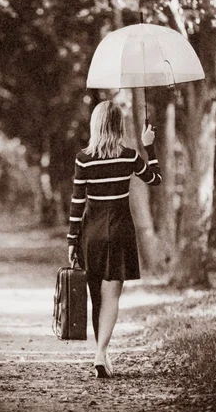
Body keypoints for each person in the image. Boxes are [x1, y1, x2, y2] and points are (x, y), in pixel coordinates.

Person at [67, 100, 162, 378]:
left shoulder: (83, 158)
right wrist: (149, 145)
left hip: (91, 234)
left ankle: (101, 353)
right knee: (111, 298)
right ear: (119, 125)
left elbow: (77, 203)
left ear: (95, 125)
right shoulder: (129, 156)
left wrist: (71, 240)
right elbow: (155, 178)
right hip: (119, 233)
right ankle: (101, 353)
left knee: (96, 297)